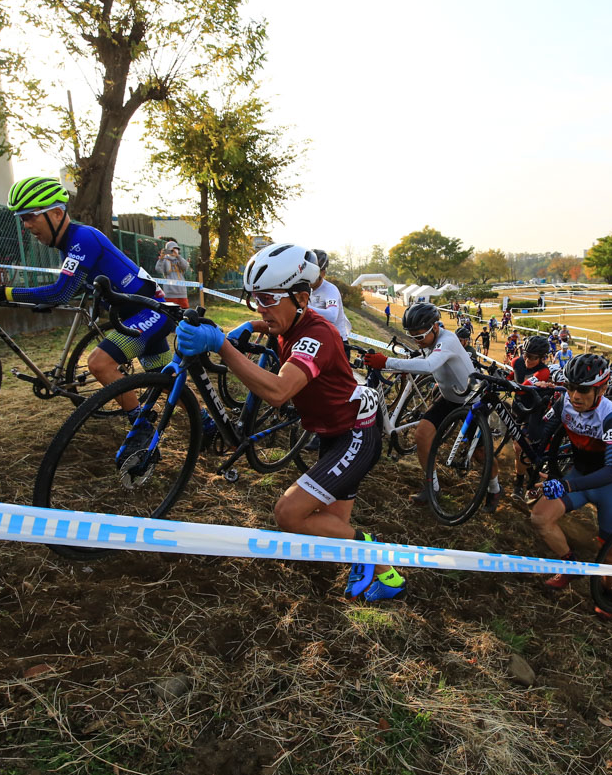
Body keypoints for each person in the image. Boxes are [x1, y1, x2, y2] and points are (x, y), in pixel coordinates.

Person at [175, 243, 405, 602]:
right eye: (253, 299)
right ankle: (369, 559)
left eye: (267, 299)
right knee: (332, 527)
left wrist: (223, 345)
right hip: (337, 432)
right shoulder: (290, 319)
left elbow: (280, 391)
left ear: (300, 297)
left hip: (355, 436)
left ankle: (375, 557)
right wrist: (244, 326)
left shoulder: (318, 334)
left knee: (288, 514)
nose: (259, 308)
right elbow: (270, 325)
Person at [0, 176, 172, 421]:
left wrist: (1, 293)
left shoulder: (82, 239)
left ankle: (140, 424)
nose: (26, 225)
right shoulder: (69, 244)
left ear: (55, 213)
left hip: (149, 313)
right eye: (21, 219)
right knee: (167, 382)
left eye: (29, 216)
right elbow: (73, 286)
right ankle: (205, 422)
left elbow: (60, 291)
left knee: (99, 363)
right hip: (135, 314)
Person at [364, 303, 498, 510]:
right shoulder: (429, 340)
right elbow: (424, 358)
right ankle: (432, 486)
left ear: (435, 327)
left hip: (472, 400)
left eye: (419, 337)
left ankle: (494, 488)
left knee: (481, 454)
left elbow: (429, 366)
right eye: (412, 336)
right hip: (449, 398)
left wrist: (387, 362)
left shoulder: (449, 340)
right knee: (422, 435)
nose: (417, 342)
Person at [532, 355, 612, 618]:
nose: (575, 395)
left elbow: (610, 470)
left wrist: (566, 484)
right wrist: (538, 459)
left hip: (611, 487)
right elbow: (545, 431)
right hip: (580, 475)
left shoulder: (611, 416)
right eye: (571, 387)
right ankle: (569, 565)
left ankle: (608, 595)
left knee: (607, 553)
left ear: (602, 389)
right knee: (540, 518)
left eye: (583, 390)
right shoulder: (565, 401)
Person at [508, 335, 554, 499]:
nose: (527, 359)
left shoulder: (543, 371)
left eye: (533, 357)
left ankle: (519, 484)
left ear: (542, 358)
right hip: (518, 409)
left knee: (520, 448)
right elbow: (511, 377)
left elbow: (522, 388)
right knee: (520, 449)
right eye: (525, 354)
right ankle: (527, 471)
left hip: (533, 412)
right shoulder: (516, 362)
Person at [308, 250, 352, 350]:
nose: (309, 278)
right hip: (317, 340)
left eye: (313, 274)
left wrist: (305, 308)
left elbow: (332, 316)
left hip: (337, 343)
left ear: (323, 273)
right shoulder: (307, 288)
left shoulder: (330, 290)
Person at [155, 238, 191, 308]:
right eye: (172, 250)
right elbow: (158, 269)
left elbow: (186, 266)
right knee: (171, 314)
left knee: (185, 312)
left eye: (176, 249)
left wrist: (178, 256)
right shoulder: (164, 260)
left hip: (182, 293)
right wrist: (161, 258)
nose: (174, 251)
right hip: (170, 293)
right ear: (167, 250)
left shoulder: (180, 259)